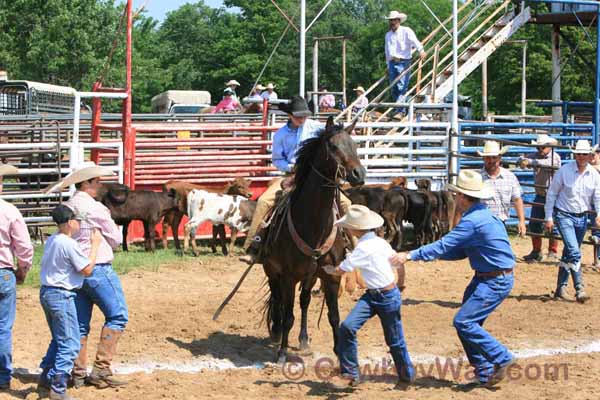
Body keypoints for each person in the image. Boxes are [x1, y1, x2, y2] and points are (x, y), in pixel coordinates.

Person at [390, 170, 515, 388]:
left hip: (493, 280)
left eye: (457, 194)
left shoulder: (472, 221)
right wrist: (434, 255)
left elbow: (444, 244)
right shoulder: (480, 215)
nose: (455, 198)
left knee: (464, 322)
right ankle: (484, 371)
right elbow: (461, 250)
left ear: (464, 198)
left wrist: (411, 254)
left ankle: (501, 357)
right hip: (489, 277)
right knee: (467, 324)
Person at [239, 96, 352, 265]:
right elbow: (277, 159)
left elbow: (333, 135)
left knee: (346, 204)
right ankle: (253, 245)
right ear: (290, 115)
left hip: (315, 176)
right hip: (291, 175)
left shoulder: (316, 127)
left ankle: (353, 245)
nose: (302, 118)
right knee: (264, 201)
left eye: (304, 115)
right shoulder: (281, 135)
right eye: (298, 115)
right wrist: (290, 168)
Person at [47, 162, 128, 388]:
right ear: (87, 183)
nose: (99, 185)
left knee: (81, 324)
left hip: (75, 272)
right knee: (118, 315)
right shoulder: (96, 209)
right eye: (96, 182)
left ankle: (78, 372)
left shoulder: (69, 206)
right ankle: (101, 369)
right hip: (98, 266)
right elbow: (115, 238)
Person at [322, 205, 414, 389]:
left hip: (380, 296)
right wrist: (401, 283)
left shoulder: (362, 248)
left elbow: (342, 270)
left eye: (348, 226)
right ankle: (351, 374)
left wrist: (329, 269)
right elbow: (399, 263)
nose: (347, 229)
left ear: (355, 228)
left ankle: (404, 375)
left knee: (353, 329)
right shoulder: (380, 242)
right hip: (381, 294)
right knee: (354, 329)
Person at [37, 205, 102, 400]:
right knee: (71, 343)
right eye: (76, 220)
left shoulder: (53, 240)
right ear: (68, 223)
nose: (79, 224)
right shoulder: (67, 243)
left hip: (48, 292)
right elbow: (87, 269)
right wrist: (95, 245)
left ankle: (46, 377)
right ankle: (58, 387)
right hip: (61, 294)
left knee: (59, 338)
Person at [545, 140, 600, 303]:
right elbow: (552, 194)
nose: (582, 157)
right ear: (575, 154)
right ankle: (579, 288)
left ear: (590, 155)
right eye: (579, 154)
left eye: (585, 154)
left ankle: (560, 288)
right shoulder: (564, 171)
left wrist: (599, 213)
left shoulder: (594, 175)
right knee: (575, 252)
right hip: (564, 215)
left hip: (582, 217)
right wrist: (549, 217)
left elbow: (598, 196)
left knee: (569, 252)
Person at [0, 164, 33, 391]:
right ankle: (2, 377)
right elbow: (24, 248)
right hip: (3, 273)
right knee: (2, 328)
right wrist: (22, 270)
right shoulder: (9, 211)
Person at [518, 134, 562, 262]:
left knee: (552, 224)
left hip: (553, 196)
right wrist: (522, 160)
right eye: (538, 147)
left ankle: (552, 252)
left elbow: (546, 163)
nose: (540, 150)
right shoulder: (537, 156)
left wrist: (529, 162)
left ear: (549, 147)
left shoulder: (555, 157)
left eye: (542, 147)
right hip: (540, 194)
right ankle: (536, 251)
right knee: (534, 223)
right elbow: (524, 158)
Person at [478, 141, 526, 236]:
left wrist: (521, 221)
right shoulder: (477, 178)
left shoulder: (509, 177)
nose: (491, 161)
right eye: (488, 157)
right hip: (481, 223)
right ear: (483, 158)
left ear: (500, 158)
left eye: (494, 157)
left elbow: (517, 199)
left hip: (501, 222)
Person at [384, 10, 426, 114]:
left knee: (402, 86)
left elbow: (414, 41)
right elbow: (387, 51)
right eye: (391, 20)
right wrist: (387, 66)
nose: (392, 22)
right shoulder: (388, 35)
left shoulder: (406, 31)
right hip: (392, 62)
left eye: (394, 20)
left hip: (404, 61)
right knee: (394, 87)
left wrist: (421, 50)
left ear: (399, 20)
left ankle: (400, 110)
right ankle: (399, 109)